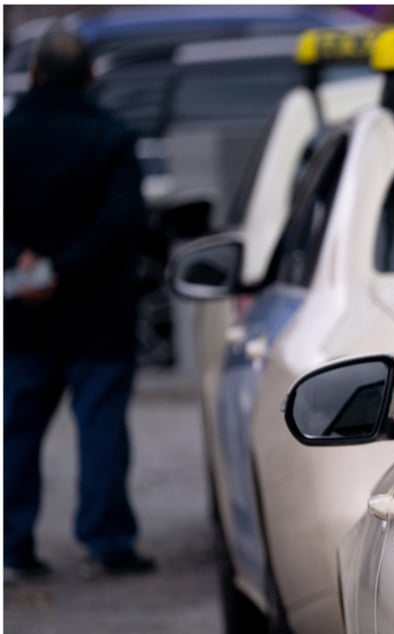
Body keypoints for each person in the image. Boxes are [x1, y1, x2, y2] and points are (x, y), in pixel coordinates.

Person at [4, 24, 155, 581]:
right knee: (101, 430)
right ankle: (107, 541)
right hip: (98, 313)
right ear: (91, 76)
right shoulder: (111, 138)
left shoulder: (6, 136)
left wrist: (23, 261)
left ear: (35, 74)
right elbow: (121, 222)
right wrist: (61, 269)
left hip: (21, 311)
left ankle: (12, 545)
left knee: (17, 432)